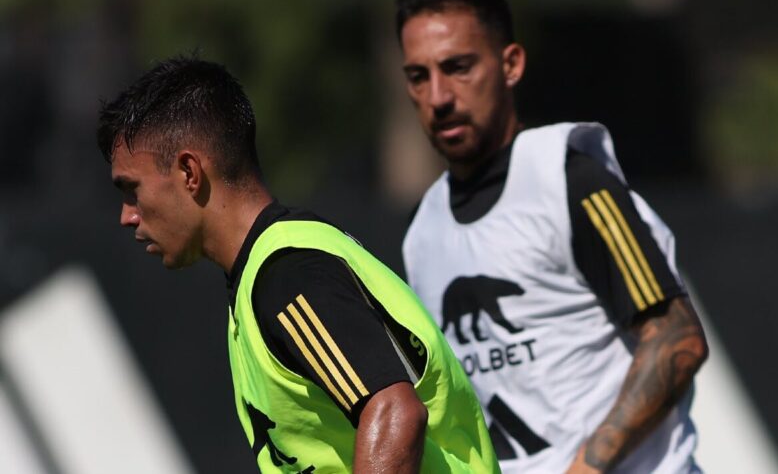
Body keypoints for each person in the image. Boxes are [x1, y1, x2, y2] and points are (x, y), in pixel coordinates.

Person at [97, 56, 500, 474]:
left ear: (189, 171)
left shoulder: (287, 273)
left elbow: (394, 413)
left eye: (133, 190)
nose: (128, 215)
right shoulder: (267, 272)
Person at [396, 0, 709, 473]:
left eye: (458, 67)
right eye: (418, 75)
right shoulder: (421, 233)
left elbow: (678, 338)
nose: (438, 97)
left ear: (511, 64)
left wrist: (585, 467)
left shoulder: (571, 181)